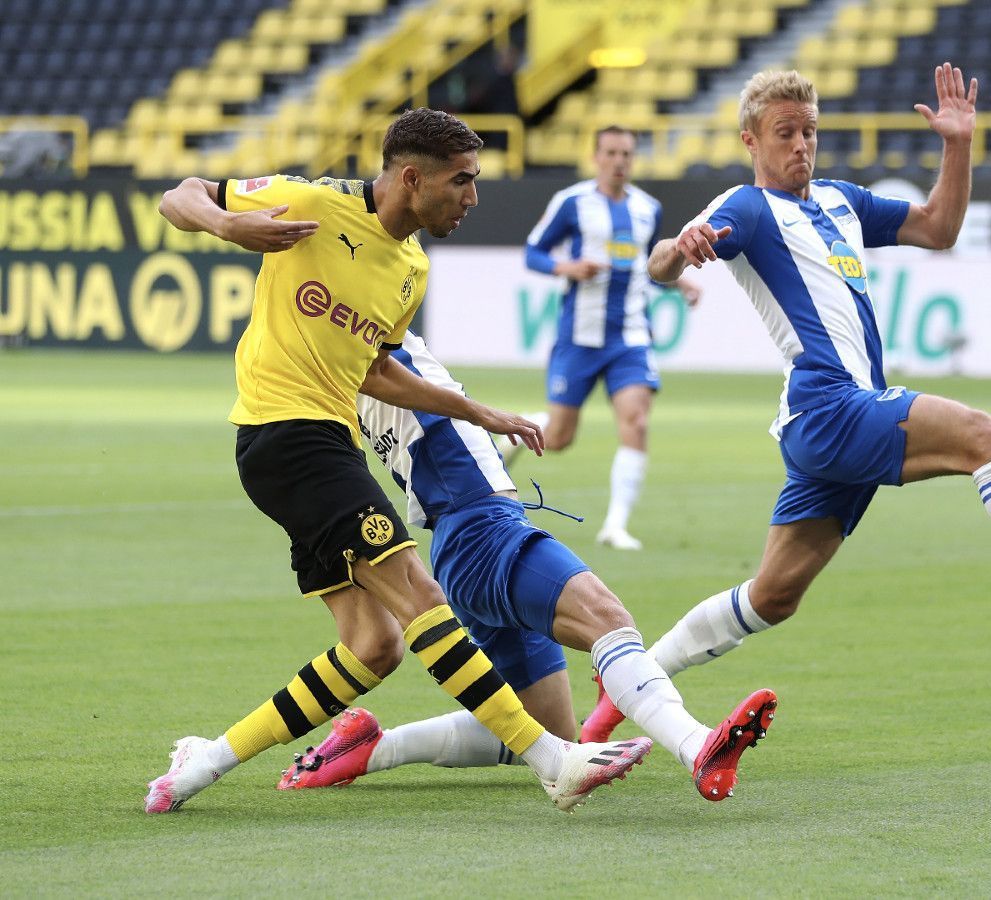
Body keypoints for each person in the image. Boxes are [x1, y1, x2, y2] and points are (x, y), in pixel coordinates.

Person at [583, 66, 991, 741]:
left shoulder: (839, 200)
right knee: (986, 437)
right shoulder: (744, 208)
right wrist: (678, 252)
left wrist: (957, 144)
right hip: (827, 408)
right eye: (784, 133)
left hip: (831, 420)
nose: (801, 145)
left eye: (809, 131)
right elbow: (658, 264)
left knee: (773, 597)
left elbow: (937, 227)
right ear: (750, 139)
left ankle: (615, 700)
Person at [145, 108, 648, 815]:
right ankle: (552, 757)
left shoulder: (410, 267)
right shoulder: (315, 205)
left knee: (374, 647)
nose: (472, 197)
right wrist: (230, 225)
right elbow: (179, 195)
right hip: (287, 433)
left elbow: (375, 371)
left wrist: (476, 410)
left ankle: (202, 762)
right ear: (412, 179)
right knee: (422, 596)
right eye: (462, 181)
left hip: (319, 441)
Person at [277, 331, 777, 803]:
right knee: (607, 619)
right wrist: (481, 413)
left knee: (549, 728)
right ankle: (697, 746)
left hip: (462, 535)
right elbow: (372, 349)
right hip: (479, 525)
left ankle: (371, 748)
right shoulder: (362, 327)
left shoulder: (342, 355)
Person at [500, 125, 701, 551]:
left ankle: (615, 525)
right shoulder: (572, 203)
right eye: (610, 152)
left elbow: (651, 266)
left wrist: (679, 284)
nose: (619, 161)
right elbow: (534, 251)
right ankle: (517, 430)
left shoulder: (648, 209)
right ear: (596, 157)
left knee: (637, 420)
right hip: (579, 336)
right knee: (558, 439)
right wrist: (566, 268)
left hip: (630, 336)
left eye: (626, 153)